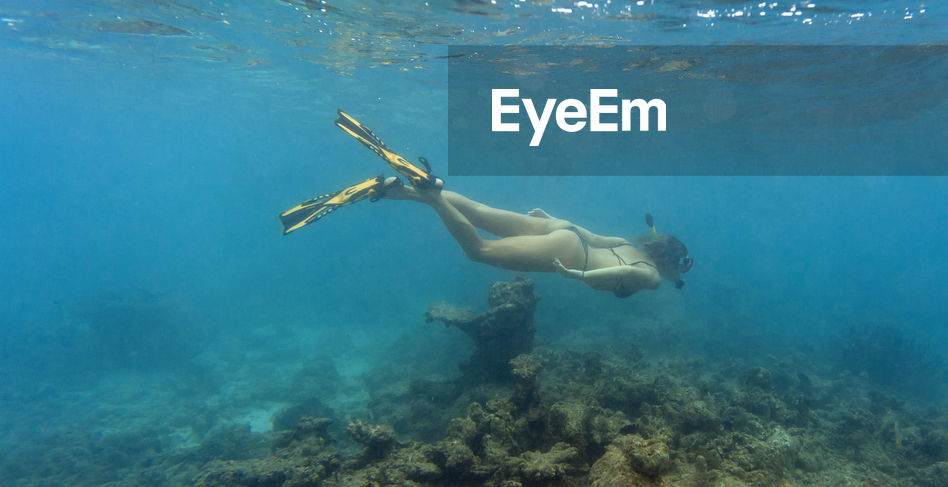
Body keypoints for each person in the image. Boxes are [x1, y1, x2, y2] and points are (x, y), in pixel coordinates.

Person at [278, 111, 693, 299]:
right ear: (670, 262)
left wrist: (551, 220)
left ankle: (397, 190)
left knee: (476, 210)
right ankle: (430, 193)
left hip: (563, 232)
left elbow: (591, 234)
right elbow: (624, 272)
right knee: (479, 250)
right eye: (681, 268)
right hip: (569, 253)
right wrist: (579, 276)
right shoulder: (653, 276)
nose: (676, 275)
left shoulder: (628, 240)